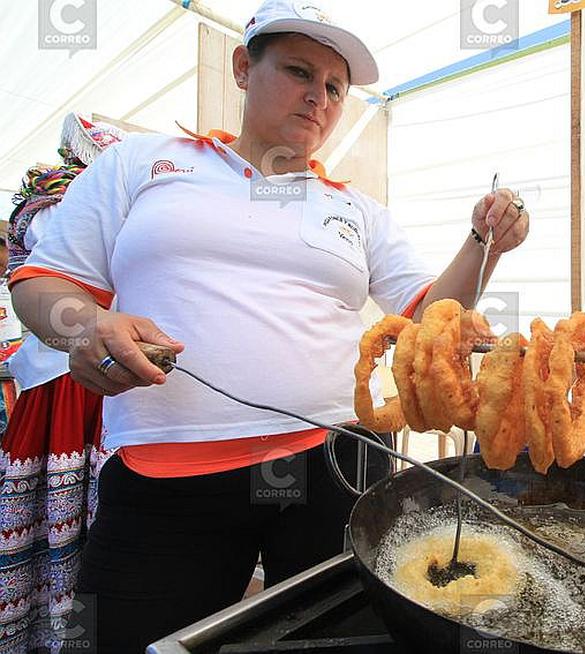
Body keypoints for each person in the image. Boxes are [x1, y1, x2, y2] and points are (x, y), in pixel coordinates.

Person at [8, 1, 529, 650]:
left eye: (336, 87)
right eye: (298, 71)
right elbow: (43, 284)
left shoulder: (355, 209)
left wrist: (484, 241)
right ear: (242, 68)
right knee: (131, 638)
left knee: (336, 635)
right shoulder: (143, 164)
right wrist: (83, 328)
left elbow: (424, 317)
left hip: (341, 463)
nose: (319, 97)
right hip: (167, 475)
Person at [0, 113, 124, 654]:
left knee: (95, 504)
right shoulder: (57, 203)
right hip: (65, 377)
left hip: (97, 368)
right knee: (62, 502)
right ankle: (56, 626)